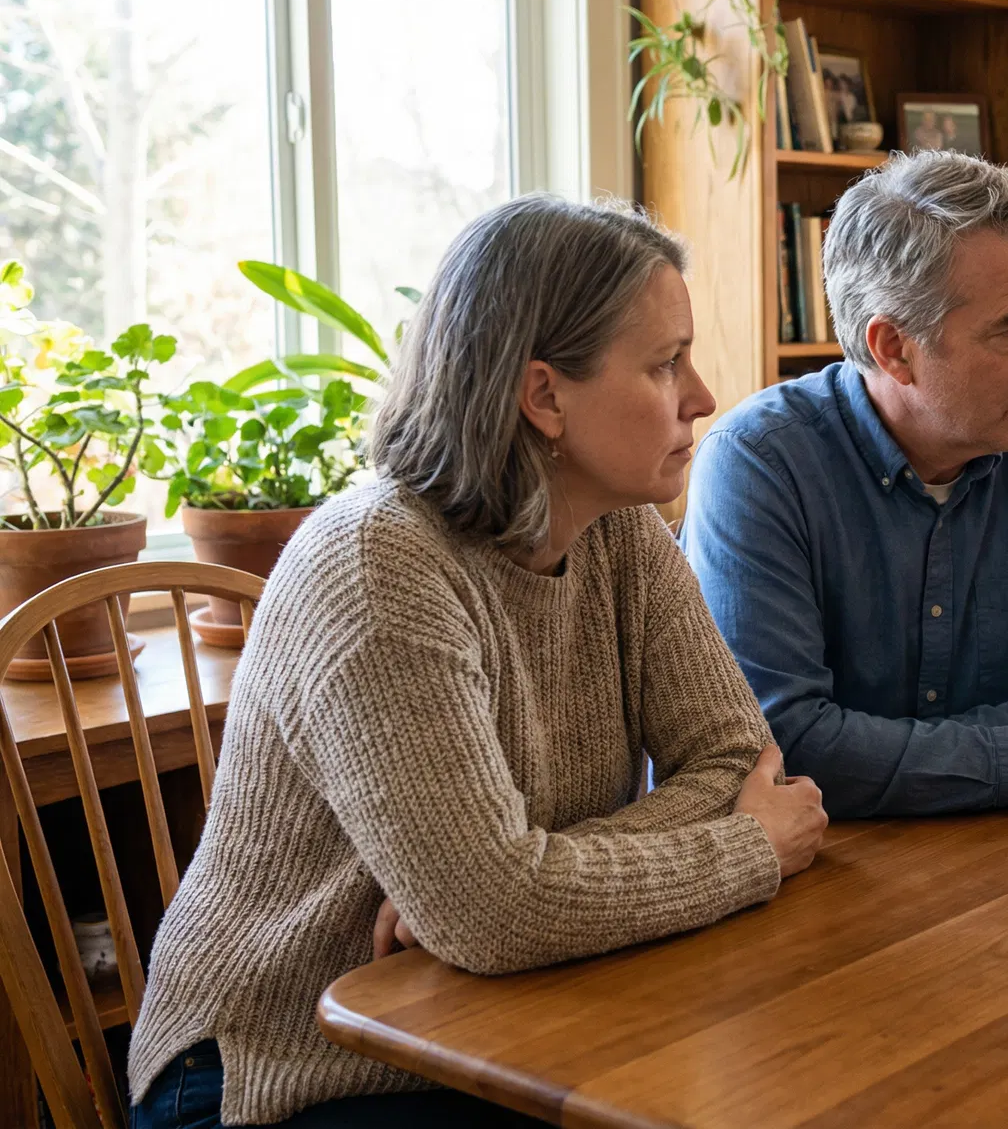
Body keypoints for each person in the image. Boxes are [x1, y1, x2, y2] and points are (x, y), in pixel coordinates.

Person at [128, 196, 828, 1127]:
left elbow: (740, 762)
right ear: (544, 396)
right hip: (278, 1068)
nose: (701, 396)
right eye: (666, 364)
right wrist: (745, 848)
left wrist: (518, 887)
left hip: (503, 1013)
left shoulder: (622, 529)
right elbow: (497, 913)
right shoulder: (378, 565)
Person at [681, 151, 1008, 818]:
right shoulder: (758, 465)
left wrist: (883, 757)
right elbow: (782, 746)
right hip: (812, 875)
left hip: (1004, 856)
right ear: (892, 348)